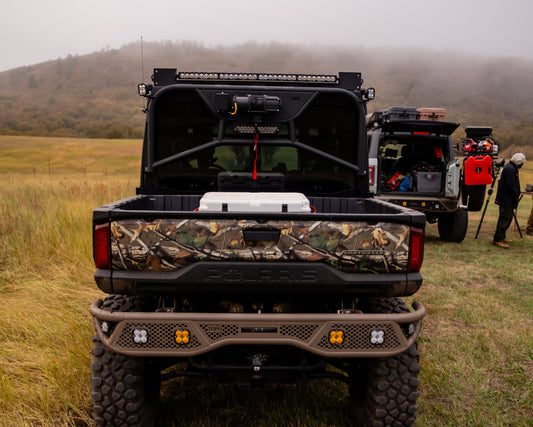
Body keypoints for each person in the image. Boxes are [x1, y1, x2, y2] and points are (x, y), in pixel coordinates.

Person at [493, 153, 526, 248]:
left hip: (507, 199)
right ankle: (497, 239)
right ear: (518, 162)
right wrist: (515, 194)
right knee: (505, 219)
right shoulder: (510, 169)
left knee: (508, 218)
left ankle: (502, 236)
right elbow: (511, 186)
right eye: (522, 163)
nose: (522, 165)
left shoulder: (510, 168)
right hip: (506, 199)